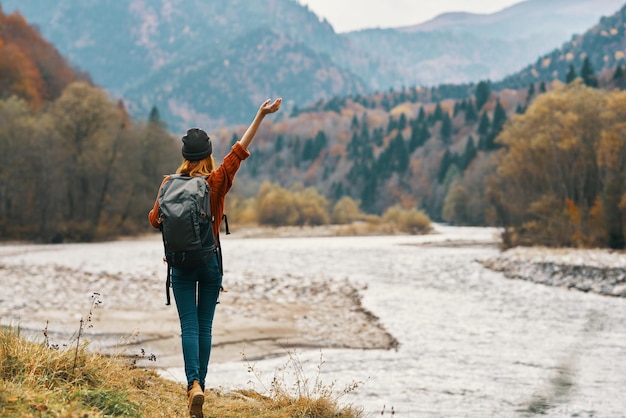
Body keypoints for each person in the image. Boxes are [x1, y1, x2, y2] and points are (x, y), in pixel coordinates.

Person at [148, 98, 282, 417]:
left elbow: (155, 220)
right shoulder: (216, 182)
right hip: (209, 264)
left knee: (189, 326)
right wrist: (260, 115)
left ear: (184, 157)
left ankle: (192, 384)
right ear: (208, 155)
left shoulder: (168, 184)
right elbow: (239, 150)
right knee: (205, 326)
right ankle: (201, 388)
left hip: (179, 266)